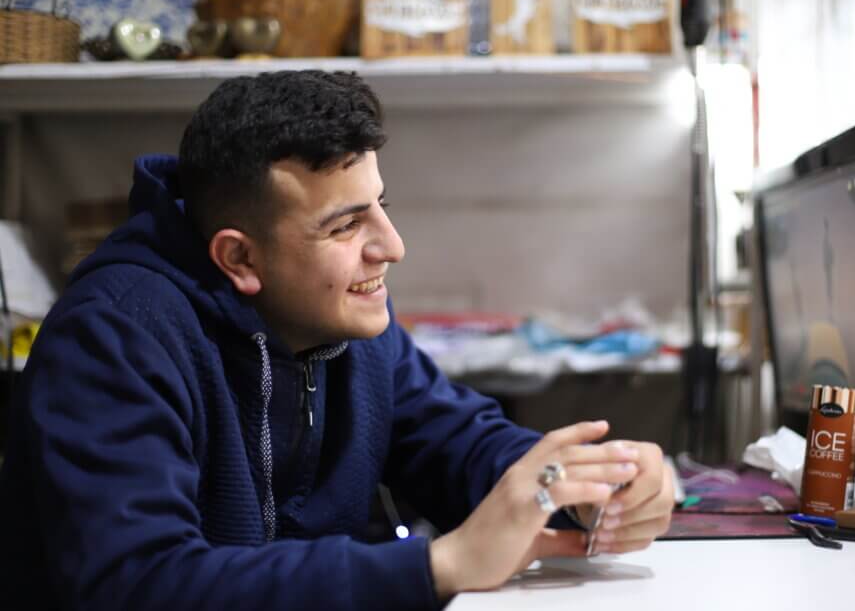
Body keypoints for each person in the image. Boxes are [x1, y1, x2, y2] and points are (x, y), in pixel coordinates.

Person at [0, 70, 674, 610]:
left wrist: (587, 487)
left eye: (382, 205)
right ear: (238, 258)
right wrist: (439, 564)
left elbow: (458, 445)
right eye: (347, 225)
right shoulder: (113, 336)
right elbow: (140, 583)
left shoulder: (349, 325)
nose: (392, 246)